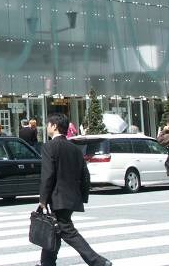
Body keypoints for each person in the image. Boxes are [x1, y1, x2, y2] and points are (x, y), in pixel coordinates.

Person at [38, 113, 111, 266]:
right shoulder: (75, 148)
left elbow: (48, 174)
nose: (47, 127)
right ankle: (47, 262)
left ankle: (97, 261)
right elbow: (85, 175)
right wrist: (83, 196)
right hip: (72, 196)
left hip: (58, 197)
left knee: (66, 230)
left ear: (54, 126)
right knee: (54, 228)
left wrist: (43, 199)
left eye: (48, 124)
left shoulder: (49, 147)